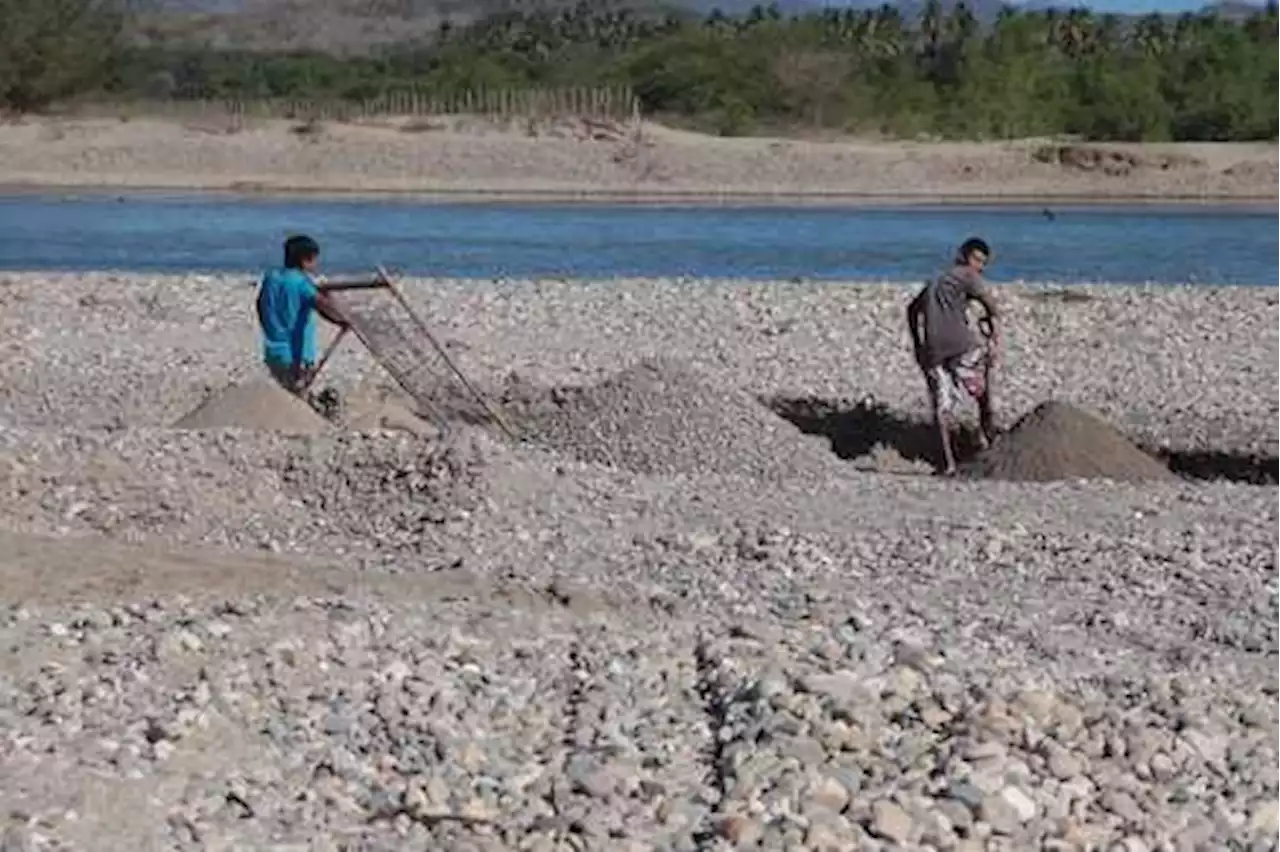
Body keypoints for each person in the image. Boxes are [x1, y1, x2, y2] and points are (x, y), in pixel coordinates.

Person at [906, 237, 1002, 476]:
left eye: (982, 263)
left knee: (942, 406)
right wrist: (994, 338)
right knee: (981, 390)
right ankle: (990, 439)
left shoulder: (935, 280)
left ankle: (947, 465)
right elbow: (992, 307)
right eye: (977, 260)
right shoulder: (968, 276)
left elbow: (911, 310)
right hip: (961, 346)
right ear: (963, 255)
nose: (978, 266)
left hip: (932, 349)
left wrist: (918, 343)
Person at [256, 234, 348, 394]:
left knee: (286, 391)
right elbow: (322, 306)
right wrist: (342, 320)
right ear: (305, 260)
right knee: (298, 393)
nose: (316, 264)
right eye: (314, 260)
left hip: (273, 351)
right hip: (297, 355)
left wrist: (269, 327)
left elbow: (259, 304)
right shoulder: (301, 283)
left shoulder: (272, 277)